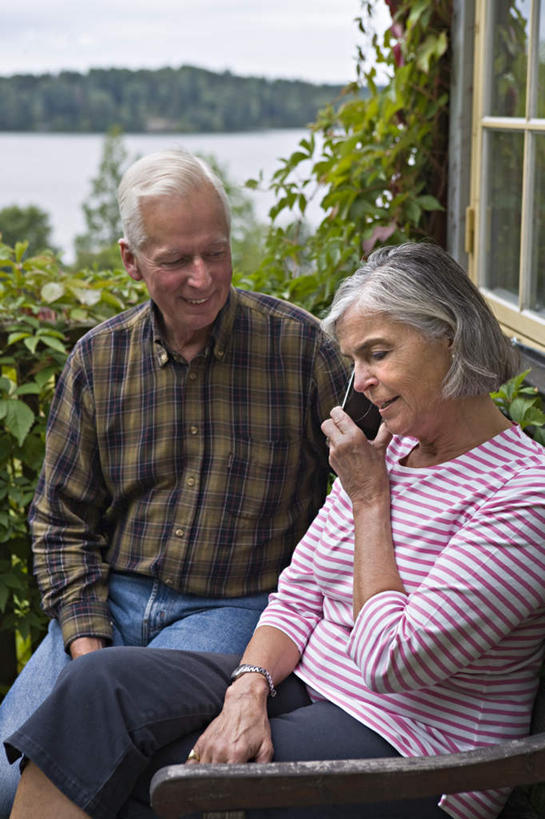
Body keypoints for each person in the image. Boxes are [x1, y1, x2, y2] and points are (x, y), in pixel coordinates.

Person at [7, 242, 545, 819]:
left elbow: (392, 661)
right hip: (309, 690)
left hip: (419, 755)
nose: (360, 382)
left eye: (378, 354)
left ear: (451, 339)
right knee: (99, 688)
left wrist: (370, 501)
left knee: (146, 771)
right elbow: (298, 593)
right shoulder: (389, 449)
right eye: (354, 360)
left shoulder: (523, 493)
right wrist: (248, 687)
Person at [0, 148, 350, 814]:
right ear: (131, 261)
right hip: (112, 601)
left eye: (216, 253)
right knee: (11, 785)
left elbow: (362, 491)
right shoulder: (98, 360)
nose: (202, 278)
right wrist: (87, 649)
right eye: (175, 260)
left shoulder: (303, 350)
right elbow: (61, 520)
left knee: (113, 779)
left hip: (232, 607)